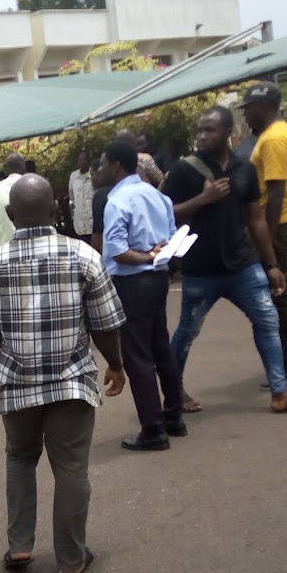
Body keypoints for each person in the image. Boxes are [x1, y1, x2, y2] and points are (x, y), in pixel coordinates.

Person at [0, 173, 126, 573]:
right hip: (71, 381)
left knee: (20, 458)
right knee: (71, 469)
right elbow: (105, 323)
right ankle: (71, 558)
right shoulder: (84, 256)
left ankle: (20, 546)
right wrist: (116, 363)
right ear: (56, 209)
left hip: (16, 383)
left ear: (9, 214)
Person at [163, 105, 287, 414]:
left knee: (267, 322)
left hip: (243, 266)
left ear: (229, 133)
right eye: (200, 130)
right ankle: (173, 391)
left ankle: (280, 391)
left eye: (210, 130)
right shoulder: (184, 170)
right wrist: (202, 200)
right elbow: (165, 212)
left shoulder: (244, 168)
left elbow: (256, 219)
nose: (203, 136)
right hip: (200, 270)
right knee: (187, 332)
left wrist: (271, 264)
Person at [99, 140, 185, 450]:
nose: (99, 169)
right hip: (159, 279)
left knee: (138, 357)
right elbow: (172, 234)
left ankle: (153, 430)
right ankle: (173, 417)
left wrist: (147, 255)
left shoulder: (117, 201)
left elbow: (118, 252)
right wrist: (155, 256)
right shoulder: (156, 194)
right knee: (160, 346)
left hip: (132, 283)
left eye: (102, 164)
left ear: (116, 166)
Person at [243, 82, 287, 376]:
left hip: (281, 225)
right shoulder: (281, 132)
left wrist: (266, 244)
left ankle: (284, 371)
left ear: (263, 107)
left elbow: (274, 192)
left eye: (248, 109)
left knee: (280, 300)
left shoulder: (272, 139)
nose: (245, 115)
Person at [68, 150, 94, 243]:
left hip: (92, 223)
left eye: (84, 159)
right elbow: (71, 197)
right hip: (79, 224)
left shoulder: (94, 174)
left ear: (88, 160)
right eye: (79, 160)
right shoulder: (73, 177)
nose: (82, 162)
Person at [90, 158, 110, 254]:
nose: (91, 179)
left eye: (92, 175)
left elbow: (98, 235)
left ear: (98, 173)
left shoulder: (100, 196)